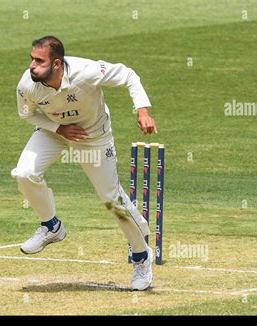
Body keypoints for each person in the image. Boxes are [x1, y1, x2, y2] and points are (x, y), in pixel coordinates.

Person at [11, 36, 158, 290]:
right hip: (53, 132)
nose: (32, 66)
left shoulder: (86, 72)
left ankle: (141, 257)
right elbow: (27, 114)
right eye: (31, 59)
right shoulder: (28, 84)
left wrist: (142, 110)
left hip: (94, 137)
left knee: (112, 200)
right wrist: (59, 128)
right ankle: (51, 226)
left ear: (56, 64)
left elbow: (128, 75)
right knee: (24, 173)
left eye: (39, 60)